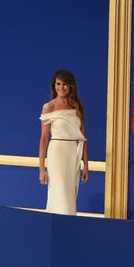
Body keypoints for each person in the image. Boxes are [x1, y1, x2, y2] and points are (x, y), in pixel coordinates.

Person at [38, 69, 89, 215]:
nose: (61, 88)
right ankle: (58, 223)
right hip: (57, 153)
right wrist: (42, 169)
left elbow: (83, 137)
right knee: (59, 191)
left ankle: (68, 224)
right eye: (58, 84)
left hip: (73, 154)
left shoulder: (77, 106)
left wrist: (86, 165)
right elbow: (43, 139)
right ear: (54, 85)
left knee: (70, 193)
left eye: (65, 84)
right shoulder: (49, 107)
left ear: (71, 86)